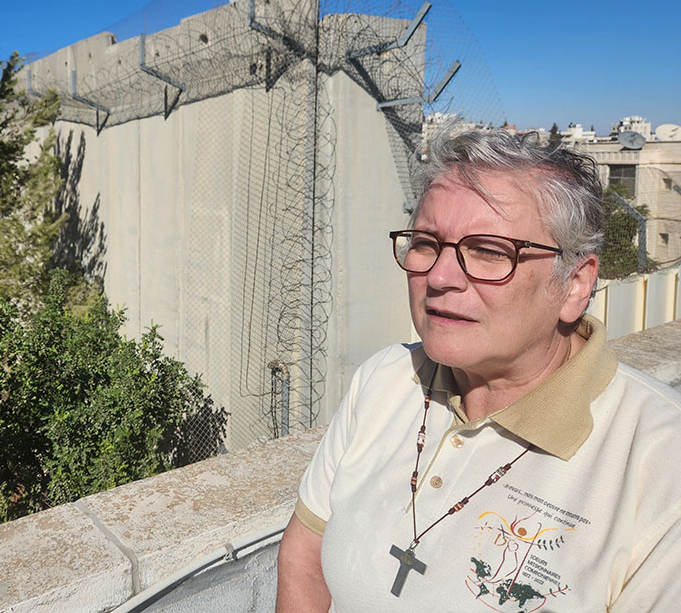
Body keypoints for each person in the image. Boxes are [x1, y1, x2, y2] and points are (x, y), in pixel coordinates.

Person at [276, 127, 681, 611]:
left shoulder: (659, 464)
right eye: (426, 242)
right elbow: (305, 554)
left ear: (575, 284)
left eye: (489, 251)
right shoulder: (385, 379)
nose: (440, 277)